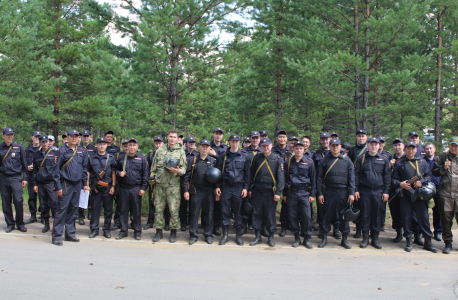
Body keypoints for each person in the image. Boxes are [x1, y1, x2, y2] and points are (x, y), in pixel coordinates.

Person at [392, 141, 436, 253]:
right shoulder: (399, 163)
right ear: (405, 149)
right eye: (408, 148)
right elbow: (393, 180)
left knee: (424, 218)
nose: (410, 150)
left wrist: (421, 181)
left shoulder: (422, 162)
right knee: (406, 218)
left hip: (419, 195)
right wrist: (400, 184)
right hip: (405, 196)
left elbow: (428, 176)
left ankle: (428, 242)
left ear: (416, 150)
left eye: (413, 148)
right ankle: (409, 241)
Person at [316, 138, 355, 249]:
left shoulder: (347, 160)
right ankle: (324, 238)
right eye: (333, 145)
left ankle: (345, 239)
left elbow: (351, 178)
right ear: (330, 146)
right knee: (326, 215)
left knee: (344, 216)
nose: (335, 147)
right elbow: (319, 178)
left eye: (337, 145)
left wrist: (352, 192)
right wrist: (319, 193)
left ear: (340, 146)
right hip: (329, 191)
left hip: (343, 192)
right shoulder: (325, 160)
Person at [52, 129, 89, 246]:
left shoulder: (82, 151)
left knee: (73, 210)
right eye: (72, 136)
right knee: (62, 210)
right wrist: (58, 187)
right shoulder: (61, 151)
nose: (74, 138)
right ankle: (57, 236)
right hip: (65, 184)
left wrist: (85, 183)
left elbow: (84, 169)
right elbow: (55, 171)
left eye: (76, 136)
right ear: (67, 137)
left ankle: (70, 234)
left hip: (77, 184)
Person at [150, 130, 187, 243]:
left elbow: (184, 168)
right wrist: (152, 178)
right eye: (170, 136)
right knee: (158, 209)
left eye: (174, 137)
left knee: (174, 210)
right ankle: (159, 232)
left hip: (173, 186)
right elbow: (153, 168)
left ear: (177, 139)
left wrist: (178, 171)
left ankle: (173, 232)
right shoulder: (160, 150)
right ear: (167, 137)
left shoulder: (181, 151)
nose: (172, 139)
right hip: (160, 185)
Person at [354, 137, 390, 249]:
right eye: (371, 144)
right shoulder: (361, 158)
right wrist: (355, 190)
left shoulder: (384, 159)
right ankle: (365, 239)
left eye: (376, 145)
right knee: (365, 215)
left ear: (379, 146)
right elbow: (356, 175)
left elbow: (387, 177)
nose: (373, 147)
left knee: (377, 215)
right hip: (364, 191)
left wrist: (386, 192)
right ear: (368, 146)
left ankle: (375, 238)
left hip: (378, 191)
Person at [249, 138, 285, 247]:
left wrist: (278, 192)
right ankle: (258, 236)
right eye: (263, 146)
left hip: (270, 192)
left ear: (271, 146)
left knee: (270, 215)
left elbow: (281, 178)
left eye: (267, 145)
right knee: (257, 213)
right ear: (261, 147)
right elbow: (251, 175)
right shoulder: (256, 158)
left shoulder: (278, 159)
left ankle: (270, 237)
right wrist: (250, 188)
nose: (265, 147)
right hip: (257, 190)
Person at [215, 134, 250, 246]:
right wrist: (217, 186)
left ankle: (238, 236)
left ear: (239, 143)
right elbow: (217, 173)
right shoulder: (223, 156)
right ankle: (225, 235)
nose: (234, 143)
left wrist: (245, 188)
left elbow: (247, 174)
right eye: (232, 141)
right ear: (229, 142)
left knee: (238, 211)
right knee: (225, 211)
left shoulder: (245, 156)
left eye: (236, 141)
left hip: (239, 187)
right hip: (226, 187)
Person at [182, 140, 218, 245]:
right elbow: (186, 178)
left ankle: (208, 235)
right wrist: (186, 191)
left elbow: (217, 177)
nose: (205, 148)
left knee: (209, 213)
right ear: (199, 147)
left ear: (209, 148)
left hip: (209, 191)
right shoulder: (193, 160)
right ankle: (193, 235)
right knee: (194, 213)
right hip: (196, 190)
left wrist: (216, 189)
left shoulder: (213, 161)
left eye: (207, 146)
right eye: (203, 146)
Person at [283, 141, 316, 248]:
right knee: (293, 216)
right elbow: (284, 180)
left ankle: (306, 238)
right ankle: (296, 238)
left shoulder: (309, 162)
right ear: (293, 149)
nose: (298, 150)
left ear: (304, 149)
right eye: (296, 148)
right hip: (292, 192)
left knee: (306, 216)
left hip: (304, 193)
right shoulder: (287, 163)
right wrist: (284, 194)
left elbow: (313, 179)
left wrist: (312, 194)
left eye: (300, 148)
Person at [115, 138, 148, 240]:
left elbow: (145, 174)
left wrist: (143, 188)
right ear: (127, 147)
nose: (132, 147)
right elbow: (115, 170)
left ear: (137, 147)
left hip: (136, 188)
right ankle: (123, 231)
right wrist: (118, 173)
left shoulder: (142, 158)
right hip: (124, 189)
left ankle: (137, 231)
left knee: (136, 211)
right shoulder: (121, 158)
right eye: (130, 145)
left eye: (134, 145)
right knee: (123, 211)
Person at [312, 132, 341, 239]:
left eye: (326, 139)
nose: (324, 141)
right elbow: (313, 172)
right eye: (322, 139)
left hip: (334, 186)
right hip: (322, 186)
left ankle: (336, 229)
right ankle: (322, 228)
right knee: (322, 209)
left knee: (336, 209)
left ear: (330, 140)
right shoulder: (316, 154)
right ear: (320, 141)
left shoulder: (339, 153)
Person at [432, 137, 458, 254]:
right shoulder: (443, 156)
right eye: (452, 145)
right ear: (449, 145)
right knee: (446, 220)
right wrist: (444, 167)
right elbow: (434, 171)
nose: (454, 147)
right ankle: (448, 243)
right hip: (445, 193)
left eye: (456, 146)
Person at [0, 127, 29, 233]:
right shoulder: (0, 147)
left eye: (11, 134)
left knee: (18, 200)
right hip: (3, 177)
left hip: (16, 177)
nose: (10, 136)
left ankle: (20, 223)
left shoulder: (19, 147)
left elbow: (24, 164)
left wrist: (25, 178)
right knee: (6, 202)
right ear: (3, 136)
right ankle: (10, 224)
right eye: (7, 135)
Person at [87, 138, 116, 239]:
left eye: (104, 144)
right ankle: (94, 229)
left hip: (107, 187)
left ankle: (106, 230)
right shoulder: (91, 158)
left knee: (108, 210)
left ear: (106, 145)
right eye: (100, 144)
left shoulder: (111, 158)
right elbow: (88, 172)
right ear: (97, 145)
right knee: (95, 210)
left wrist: (113, 186)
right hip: (95, 188)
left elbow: (113, 173)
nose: (102, 146)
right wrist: (88, 185)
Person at [31, 135, 60, 233]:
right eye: (42, 142)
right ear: (40, 143)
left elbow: (57, 169)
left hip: (51, 182)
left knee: (54, 203)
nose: (44, 144)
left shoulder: (55, 153)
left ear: (49, 142)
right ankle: (46, 224)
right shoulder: (36, 155)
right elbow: (34, 171)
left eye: (46, 142)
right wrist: (35, 184)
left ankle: (56, 225)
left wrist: (56, 184)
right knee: (43, 205)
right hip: (41, 183)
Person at [145, 136, 170, 230]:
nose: (158, 145)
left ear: (163, 144)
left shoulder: (168, 154)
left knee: (166, 204)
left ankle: (166, 223)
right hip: (153, 182)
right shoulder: (151, 155)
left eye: (160, 143)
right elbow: (147, 169)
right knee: (152, 202)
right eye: (156, 143)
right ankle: (150, 222)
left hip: (165, 182)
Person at [348, 129, 368, 239]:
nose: (361, 138)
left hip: (366, 181)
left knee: (365, 208)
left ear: (366, 137)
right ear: (356, 138)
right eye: (359, 136)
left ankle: (365, 229)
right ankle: (358, 229)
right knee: (357, 207)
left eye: (363, 136)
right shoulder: (352, 150)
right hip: (355, 181)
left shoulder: (368, 150)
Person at [272, 130, 292, 238]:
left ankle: (284, 227)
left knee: (286, 206)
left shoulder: (290, 152)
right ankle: (271, 226)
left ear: (286, 139)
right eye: (280, 137)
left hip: (287, 182)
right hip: (275, 182)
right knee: (272, 205)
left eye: (284, 137)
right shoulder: (272, 151)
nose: (282, 139)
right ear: (276, 139)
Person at [241, 131, 262, 232]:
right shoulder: (244, 151)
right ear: (250, 139)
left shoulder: (263, 151)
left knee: (257, 205)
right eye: (253, 138)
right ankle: (244, 224)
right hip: (245, 180)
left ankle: (254, 224)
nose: (255, 140)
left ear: (260, 139)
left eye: (257, 138)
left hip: (258, 182)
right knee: (245, 204)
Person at [209, 128, 228, 236]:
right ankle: (207, 225)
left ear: (222, 136)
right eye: (216, 133)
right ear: (213, 134)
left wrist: (215, 155)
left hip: (221, 180)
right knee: (208, 204)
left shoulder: (225, 148)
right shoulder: (208, 146)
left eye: (220, 134)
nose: (218, 136)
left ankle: (216, 226)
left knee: (218, 206)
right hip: (208, 179)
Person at [423, 142, 442, 241]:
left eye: (430, 148)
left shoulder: (439, 161)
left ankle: (438, 232)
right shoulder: (422, 161)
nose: (429, 150)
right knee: (423, 212)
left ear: (434, 149)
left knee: (438, 212)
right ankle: (424, 231)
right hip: (425, 190)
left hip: (438, 189)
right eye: (426, 148)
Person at [180, 136, 198, 231]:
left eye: (193, 142)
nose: (192, 144)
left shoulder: (197, 155)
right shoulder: (181, 154)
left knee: (193, 204)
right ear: (185, 143)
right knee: (183, 203)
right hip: (182, 181)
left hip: (193, 183)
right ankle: (183, 223)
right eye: (190, 142)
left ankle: (192, 223)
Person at [24, 130, 42, 225]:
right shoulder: (27, 149)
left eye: (38, 137)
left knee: (42, 197)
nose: (37, 139)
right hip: (31, 176)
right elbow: (23, 162)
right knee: (31, 196)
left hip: (40, 177)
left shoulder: (42, 149)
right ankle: (33, 216)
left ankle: (44, 216)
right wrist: (27, 167)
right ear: (32, 137)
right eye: (35, 137)